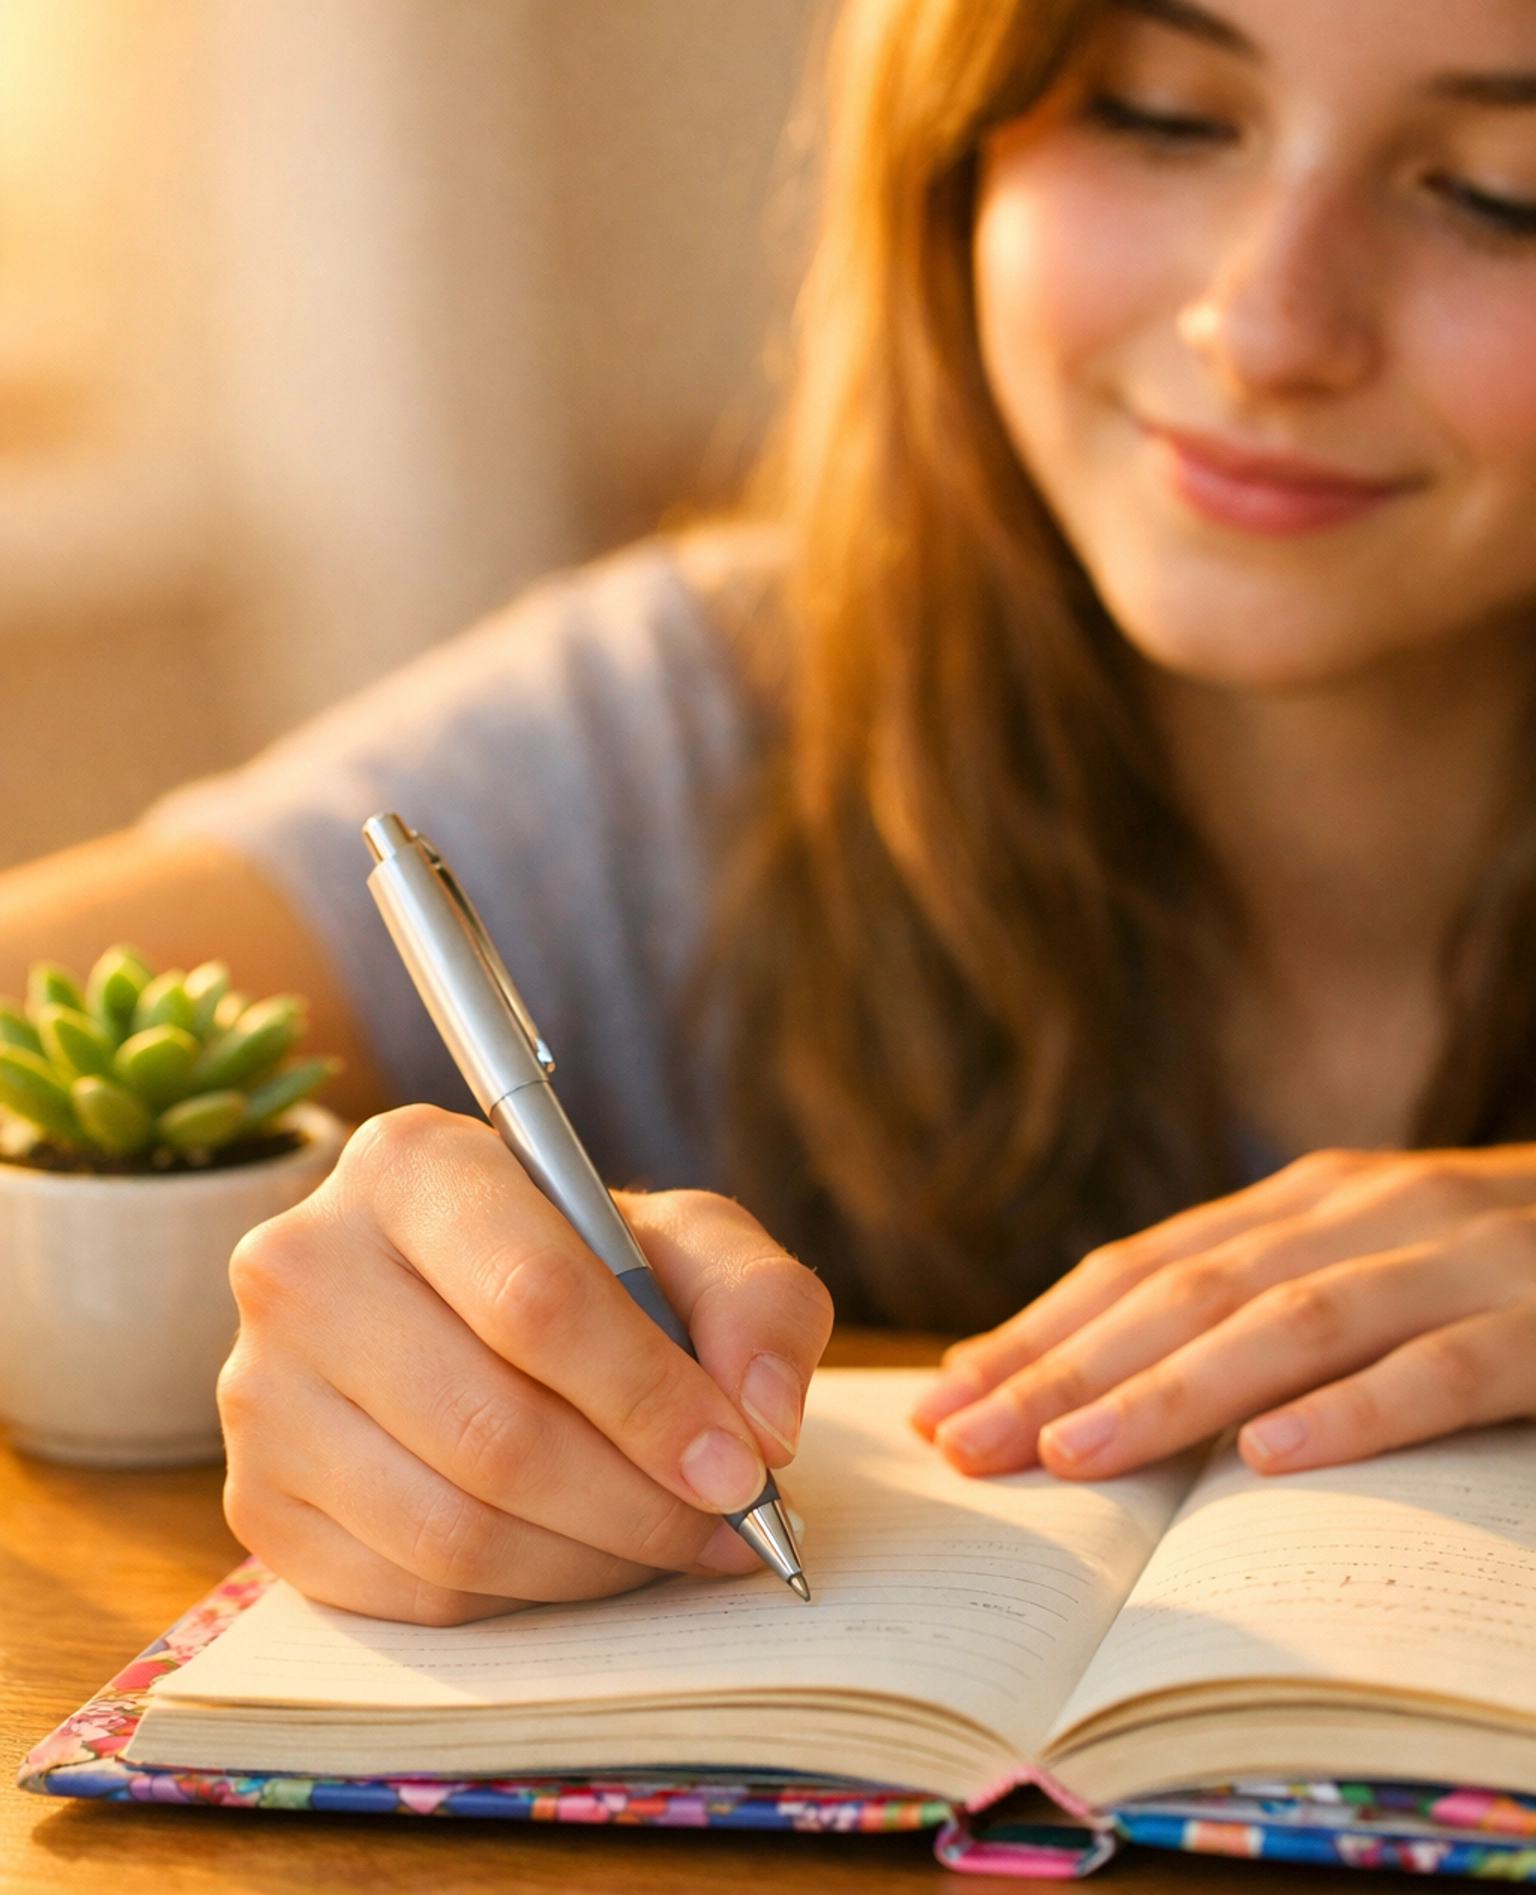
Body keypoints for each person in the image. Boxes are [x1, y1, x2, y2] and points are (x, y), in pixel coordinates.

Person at [7, 0, 1536, 1624]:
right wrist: (303, 1314)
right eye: (1161, 116)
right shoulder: (692, 721)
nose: (1267, 326)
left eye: (1505, 190)